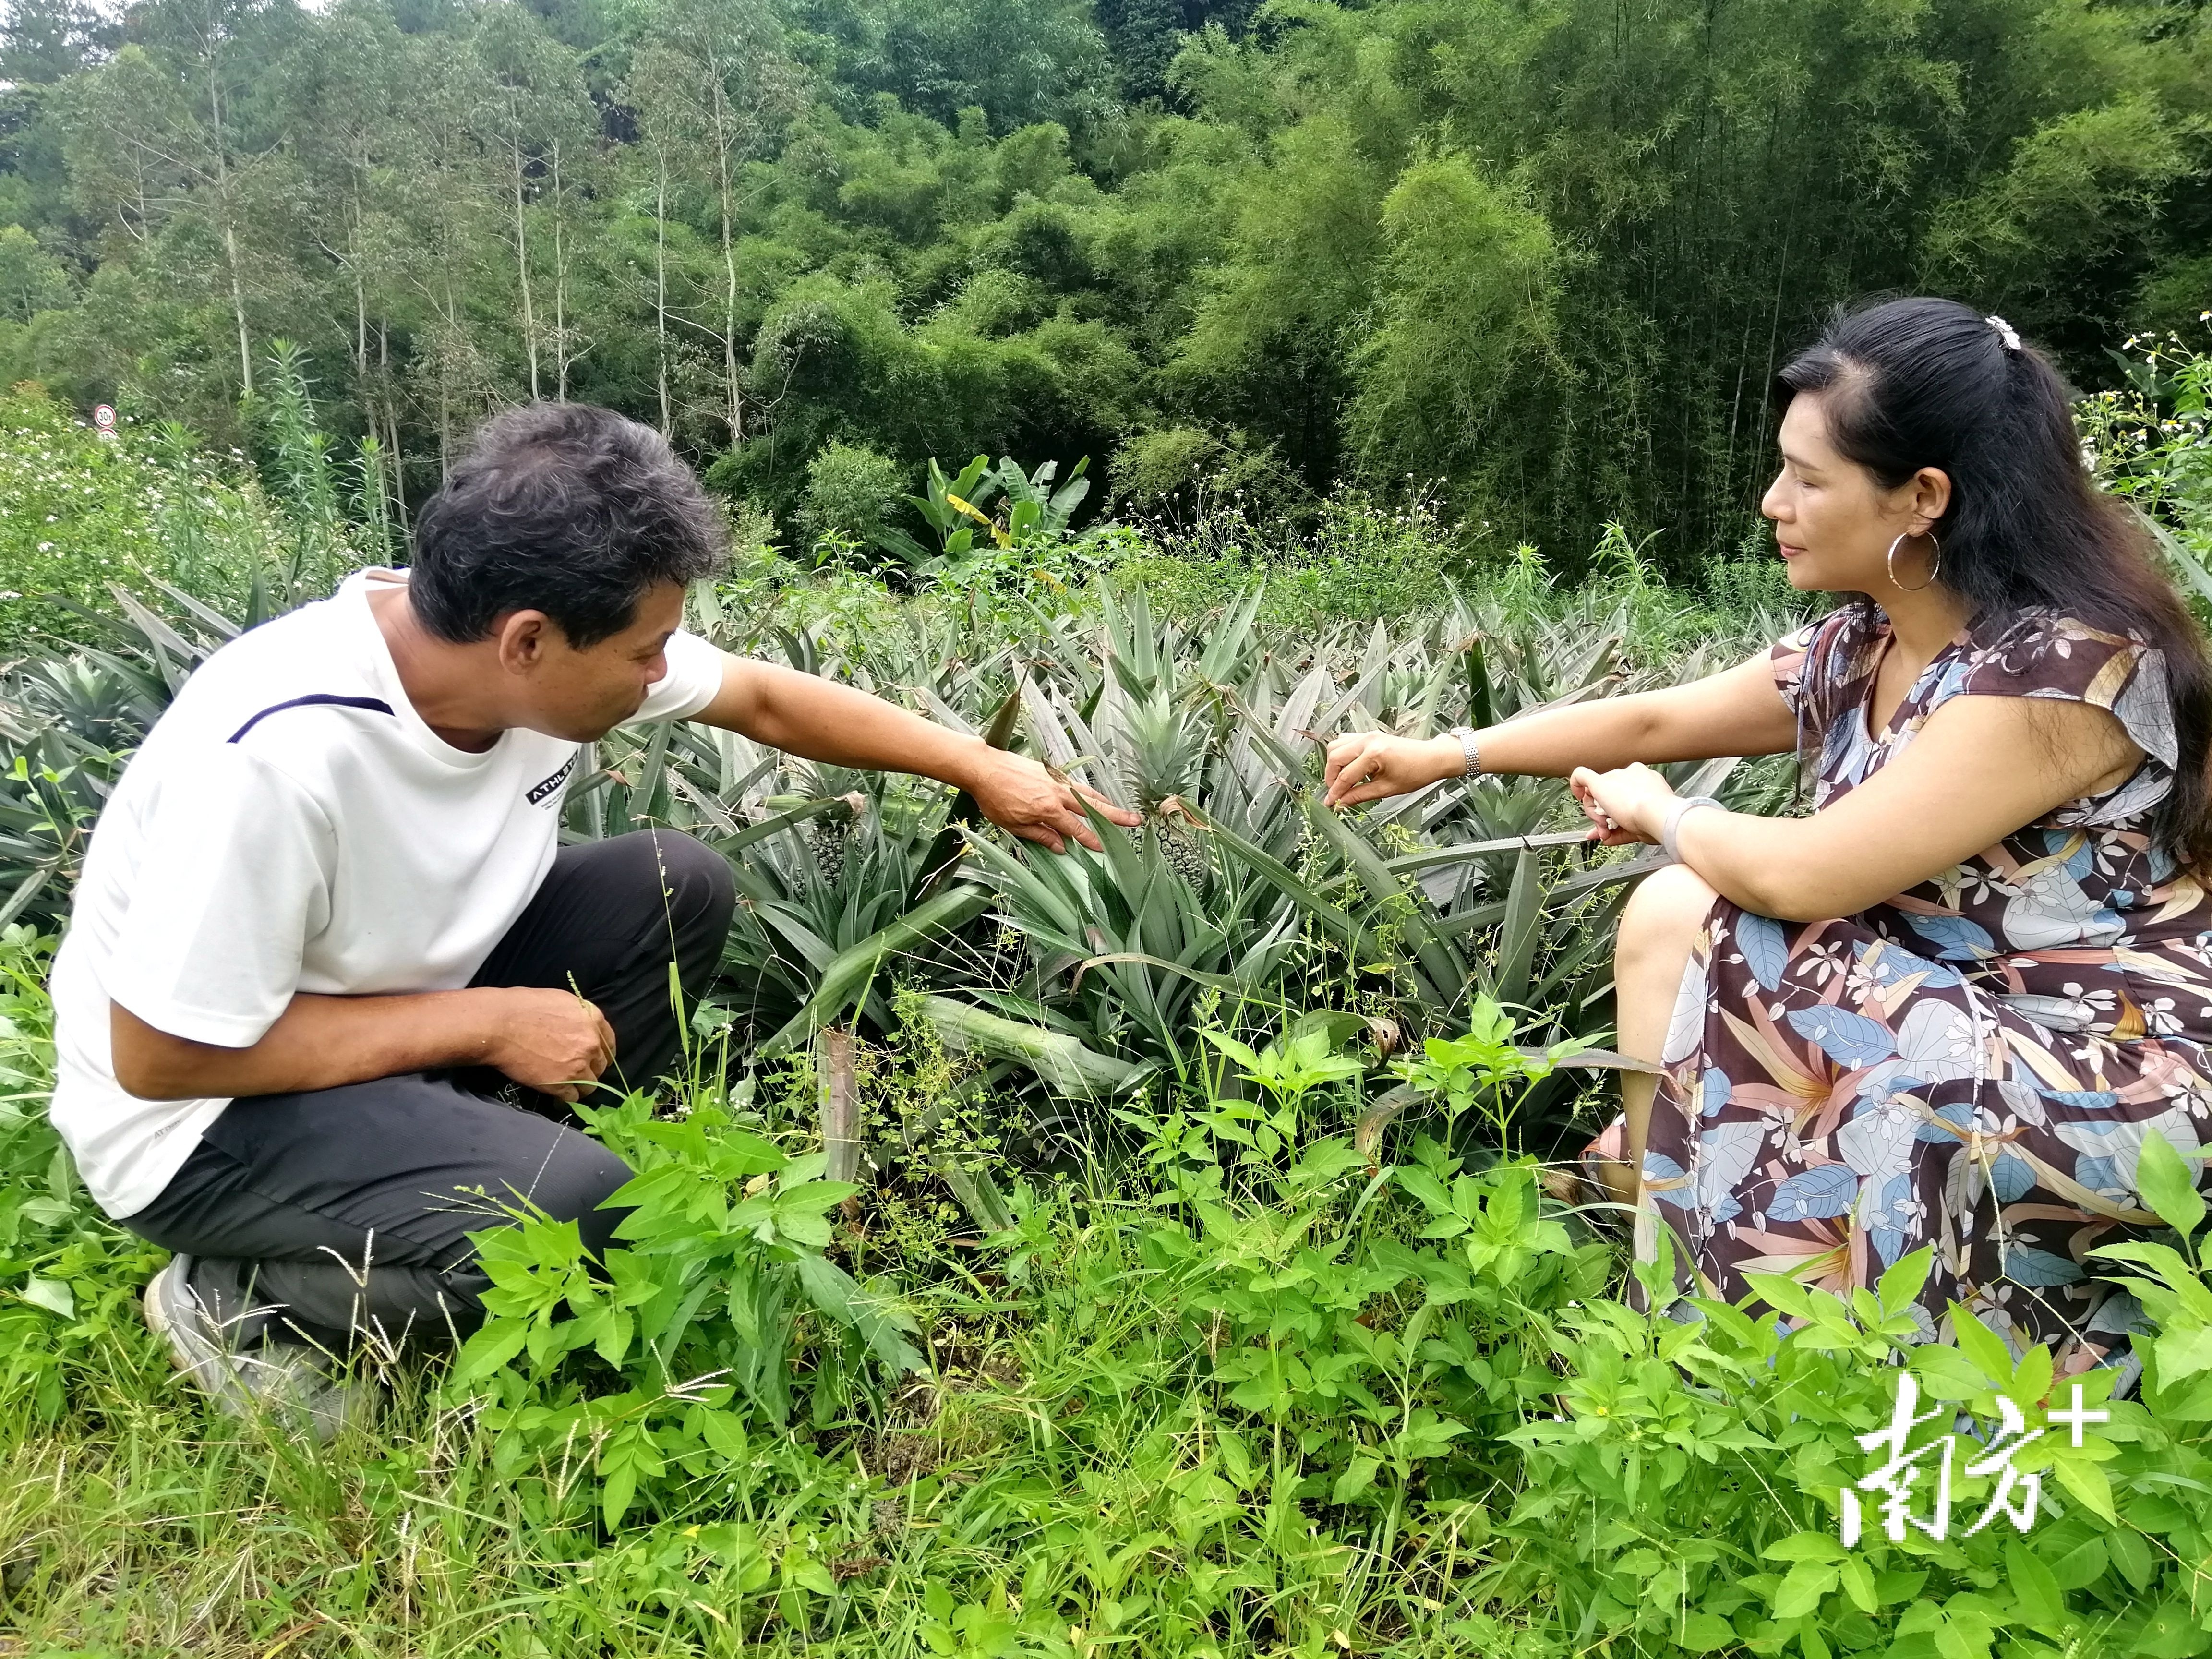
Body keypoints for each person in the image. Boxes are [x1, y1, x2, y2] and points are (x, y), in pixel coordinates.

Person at [52, 402, 1137, 1434]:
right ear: (527, 642)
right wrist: (488, 1027)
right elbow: (160, 1058)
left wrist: (984, 765)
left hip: (374, 1018)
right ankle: (256, 1305)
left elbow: (760, 698)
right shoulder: (275, 761)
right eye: (643, 654)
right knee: (580, 1212)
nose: (662, 673)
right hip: (202, 1123)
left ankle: (503, 1189)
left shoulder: (503, 646)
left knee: (673, 881)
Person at [1322, 296, 2212, 1381]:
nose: (1772, 502)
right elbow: (1657, 718)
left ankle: (1695, 1316)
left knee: (1680, 910)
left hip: (2110, 1072)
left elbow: (1800, 874)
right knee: (1687, 913)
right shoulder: (1868, 642)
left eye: (1809, 477)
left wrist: (1663, 811)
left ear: (1924, 498)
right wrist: (1442, 752)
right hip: (1952, 1011)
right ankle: (1686, 1260)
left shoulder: (2064, 676)